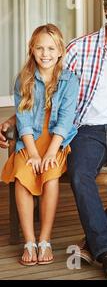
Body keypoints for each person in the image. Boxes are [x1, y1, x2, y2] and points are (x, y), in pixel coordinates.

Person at [0, 0, 107, 280]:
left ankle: (96, 245)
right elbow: (46, 89)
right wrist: (13, 119)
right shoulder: (78, 48)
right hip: (86, 129)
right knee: (79, 171)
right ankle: (104, 250)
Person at [1, 24, 79, 266]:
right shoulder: (24, 79)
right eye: (40, 48)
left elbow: (65, 122)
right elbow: (23, 120)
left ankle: (45, 239)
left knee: (50, 175)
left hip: (57, 140)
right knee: (23, 175)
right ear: (31, 50)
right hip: (30, 140)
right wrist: (33, 154)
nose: (45, 53)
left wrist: (50, 153)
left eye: (51, 48)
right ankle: (29, 240)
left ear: (60, 52)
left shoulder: (69, 80)